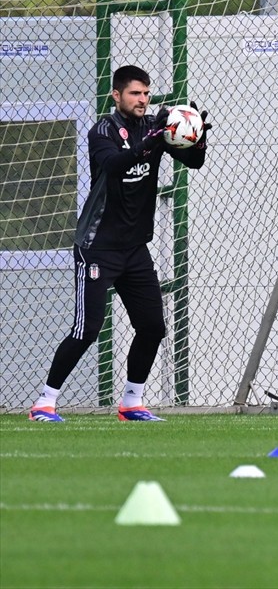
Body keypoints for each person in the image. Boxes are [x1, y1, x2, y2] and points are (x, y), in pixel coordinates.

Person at [28, 65, 212, 422]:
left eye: (146, 93)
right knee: (87, 329)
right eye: (134, 94)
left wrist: (196, 137)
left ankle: (131, 403)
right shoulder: (103, 131)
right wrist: (153, 139)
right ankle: (45, 403)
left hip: (134, 249)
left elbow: (195, 162)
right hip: (98, 245)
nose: (143, 99)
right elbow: (113, 165)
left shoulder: (154, 127)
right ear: (117, 96)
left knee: (153, 327)